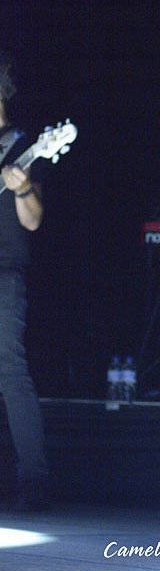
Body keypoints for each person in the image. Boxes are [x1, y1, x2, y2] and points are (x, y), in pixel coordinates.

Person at [0, 51, 49, 510]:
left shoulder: (19, 147)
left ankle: (34, 482)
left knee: (11, 374)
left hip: (4, 275)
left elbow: (32, 220)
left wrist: (22, 188)